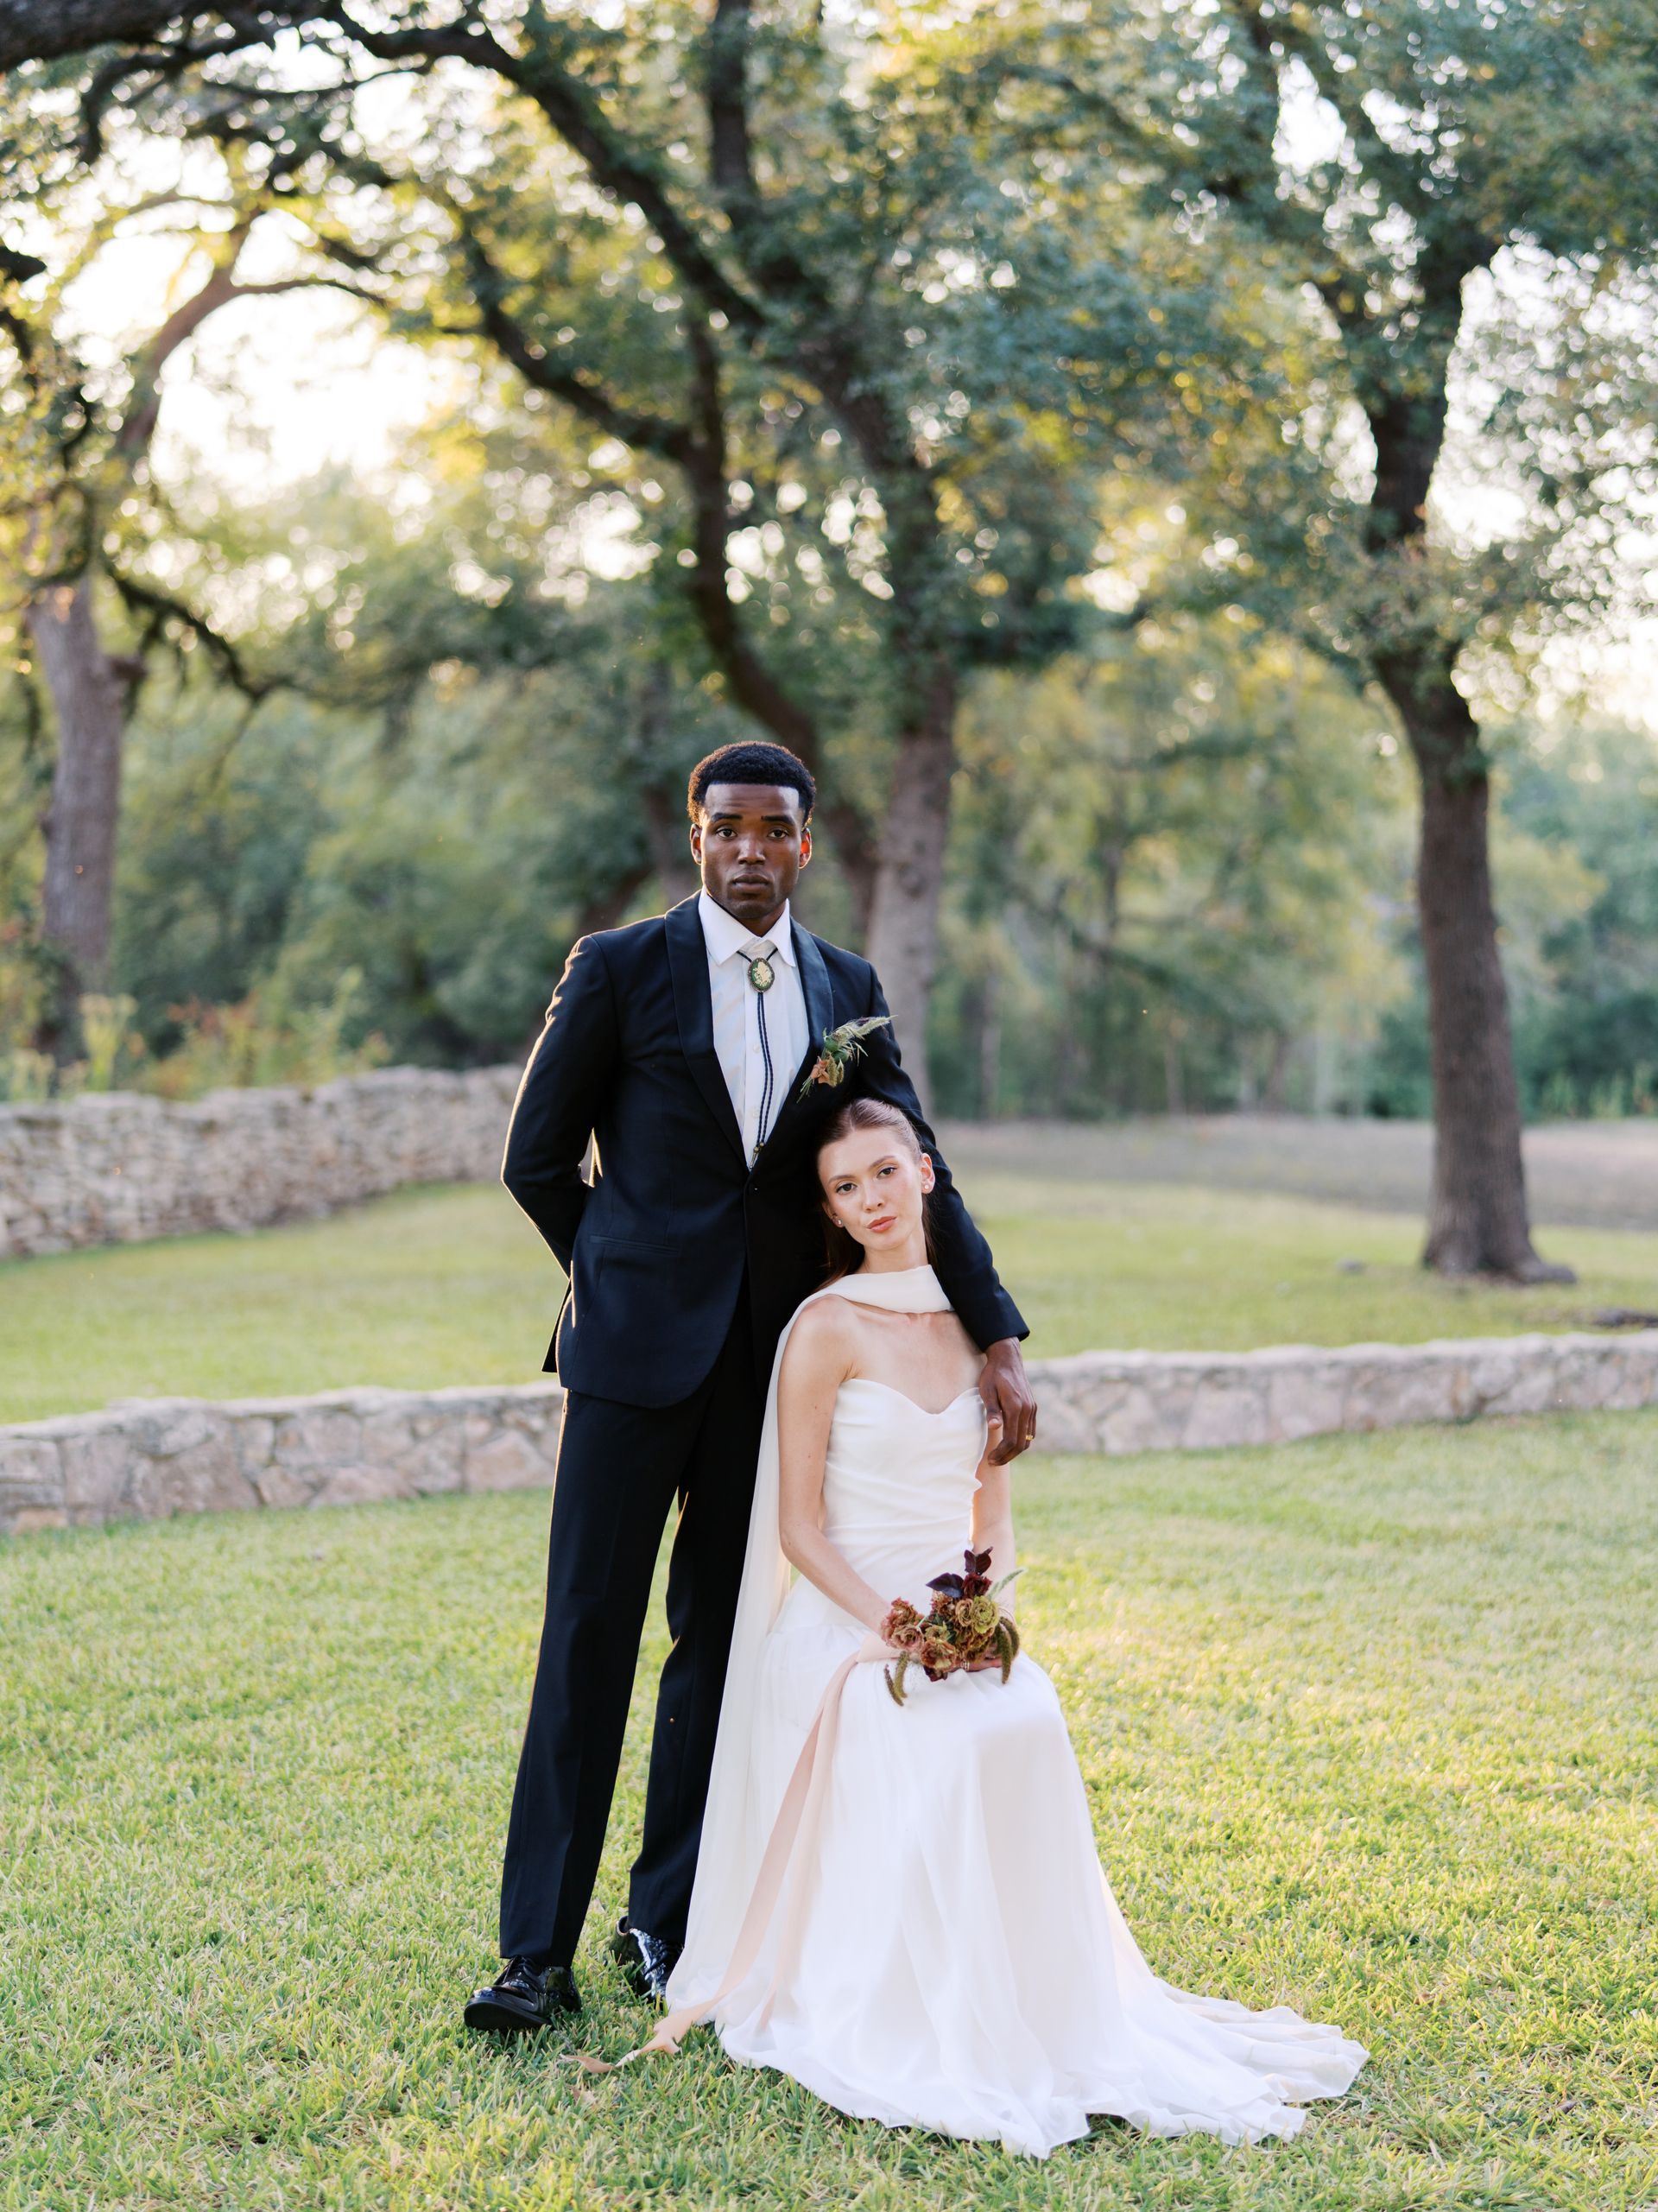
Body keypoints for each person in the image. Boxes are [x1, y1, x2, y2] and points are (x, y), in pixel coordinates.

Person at [649, 1095, 1369, 2158]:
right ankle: (921, 2001)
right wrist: (893, 1624)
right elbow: (798, 1528)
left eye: (885, 1172)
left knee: (1025, 1711)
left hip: (953, 1613)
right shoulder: (824, 1326)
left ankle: (1040, 2003)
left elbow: (989, 1509)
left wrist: (983, 1618)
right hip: (848, 1622)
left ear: (925, 1172)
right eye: (846, 1187)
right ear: (833, 1210)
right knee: (927, 1738)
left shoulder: (981, 1331)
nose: (871, 1199)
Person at [465, 739, 1035, 2034]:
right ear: (697, 834)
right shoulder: (619, 968)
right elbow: (536, 1158)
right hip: (628, 1366)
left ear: (805, 844)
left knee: (716, 1652)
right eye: (727, 828)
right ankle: (532, 1954)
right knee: (586, 1640)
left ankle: (662, 1922)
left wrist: (994, 1329)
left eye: (774, 830)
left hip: (771, 1374)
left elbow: (911, 1155)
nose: (749, 850)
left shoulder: (847, 985)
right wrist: (615, 1275)